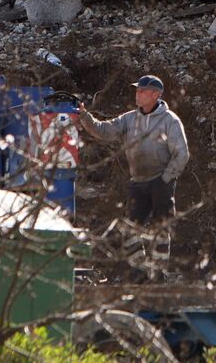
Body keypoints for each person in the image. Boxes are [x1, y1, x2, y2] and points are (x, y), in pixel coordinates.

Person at [76, 74, 189, 280]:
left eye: (142, 91)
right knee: (129, 230)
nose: (137, 94)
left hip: (161, 181)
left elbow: (182, 153)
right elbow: (105, 131)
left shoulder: (169, 121)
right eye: (137, 90)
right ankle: (140, 273)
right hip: (138, 181)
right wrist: (84, 116)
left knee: (160, 230)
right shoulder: (129, 118)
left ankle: (158, 276)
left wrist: (166, 178)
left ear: (155, 95)